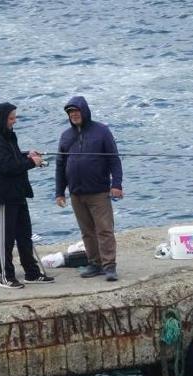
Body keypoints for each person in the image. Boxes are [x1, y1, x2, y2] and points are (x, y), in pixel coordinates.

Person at [0, 102, 55, 288]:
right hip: (4, 196)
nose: (14, 121)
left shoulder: (6, 136)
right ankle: (6, 276)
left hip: (17, 193)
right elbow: (7, 166)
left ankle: (32, 272)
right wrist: (32, 163)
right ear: (1, 119)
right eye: (11, 118)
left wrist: (27, 154)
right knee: (5, 238)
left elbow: (11, 156)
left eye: (15, 117)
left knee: (24, 234)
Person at [55, 96, 123, 282]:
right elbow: (60, 165)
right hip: (76, 193)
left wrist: (116, 185)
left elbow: (114, 159)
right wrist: (60, 192)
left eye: (76, 111)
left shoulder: (102, 131)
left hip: (99, 192)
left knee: (104, 230)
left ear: (84, 111)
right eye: (70, 113)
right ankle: (95, 263)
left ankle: (109, 266)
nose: (74, 115)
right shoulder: (66, 136)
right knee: (87, 231)